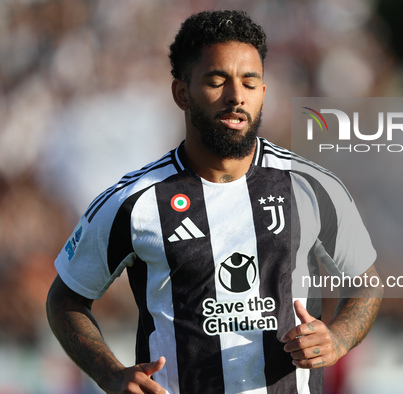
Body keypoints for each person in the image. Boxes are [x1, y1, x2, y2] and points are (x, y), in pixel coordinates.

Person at [46, 9, 382, 394]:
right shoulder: (134, 201)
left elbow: (365, 281)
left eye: (249, 83)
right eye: (217, 80)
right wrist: (110, 374)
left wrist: (337, 338)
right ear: (181, 93)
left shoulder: (311, 186)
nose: (236, 97)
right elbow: (66, 298)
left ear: (263, 93)